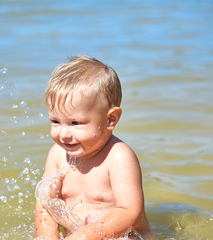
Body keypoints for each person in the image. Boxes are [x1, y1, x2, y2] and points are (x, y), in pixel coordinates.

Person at [34, 55, 155, 240]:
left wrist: (81, 237)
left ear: (110, 119)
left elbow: (131, 213)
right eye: (56, 121)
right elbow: (45, 204)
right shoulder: (57, 154)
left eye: (75, 123)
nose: (64, 134)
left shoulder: (118, 157)